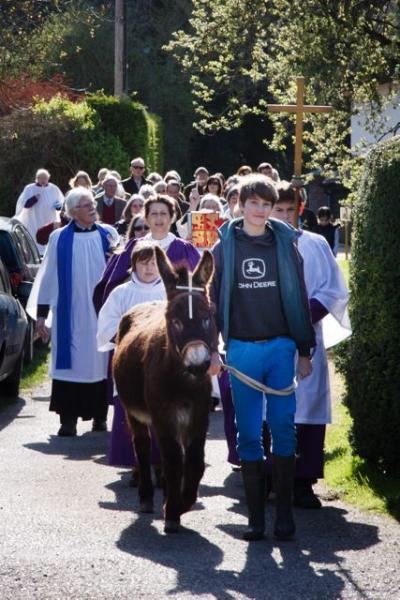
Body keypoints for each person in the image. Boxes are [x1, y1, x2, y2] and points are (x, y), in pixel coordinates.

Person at [210, 174, 315, 541]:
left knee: (284, 427)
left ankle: (284, 517)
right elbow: (213, 297)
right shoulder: (223, 247)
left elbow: (299, 296)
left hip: (281, 346)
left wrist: (304, 349)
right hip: (241, 349)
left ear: (273, 209)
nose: (260, 210)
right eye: (253, 203)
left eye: (266, 205)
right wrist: (213, 346)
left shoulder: (286, 244)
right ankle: (255, 519)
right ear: (240, 203)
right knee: (249, 432)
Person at [270, 182, 350, 508]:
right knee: (271, 409)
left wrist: (304, 315)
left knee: (307, 407)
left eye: (291, 210)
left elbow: (333, 289)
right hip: (269, 339)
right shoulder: (258, 245)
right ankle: (271, 480)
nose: (285, 215)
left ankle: (302, 483)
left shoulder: (316, 244)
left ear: (300, 210)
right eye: (279, 210)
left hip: (307, 339)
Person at [27, 187, 117, 436]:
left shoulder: (108, 235)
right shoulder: (59, 238)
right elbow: (48, 278)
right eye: (88, 206)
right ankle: (68, 420)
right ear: (74, 211)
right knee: (70, 366)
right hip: (71, 315)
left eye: (93, 204)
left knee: (100, 365)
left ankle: (100, 418)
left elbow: (120, 273)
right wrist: (42, 316)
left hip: (101, 315)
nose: (93, 208)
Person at [97, 242, 166, 483]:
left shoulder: (170, 292)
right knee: (131, 414)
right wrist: (127, 340)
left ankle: (162, 463)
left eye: (154, 263)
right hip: (130, 364)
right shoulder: (121, 293)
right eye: (143, 262)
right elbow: (107, 323)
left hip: (161, 365)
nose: (149, 268)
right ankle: (137, 464)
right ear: (133, 264)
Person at [93, 193, 200, 313]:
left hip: (175, 317)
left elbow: (199, 287)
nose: (159, 218)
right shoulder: (133, 247)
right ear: (146, 218)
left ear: (172, 217)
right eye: (154, 214)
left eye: (163, 213)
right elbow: (111, 284)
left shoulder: (185, 249)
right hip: (135, 312)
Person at [15, 168, 64, 254]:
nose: (43, 181)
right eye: (41, 178)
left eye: (45, 178)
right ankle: (35, 254)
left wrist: (58, 206)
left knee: (49, 237)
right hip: (34, 220)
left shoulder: (54, 188)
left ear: (48, 178)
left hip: (49, 219)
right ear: (37, 178)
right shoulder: (30, 188)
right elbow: (24, 205)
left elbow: (61, 203)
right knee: (35, 238)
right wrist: (34, 199)